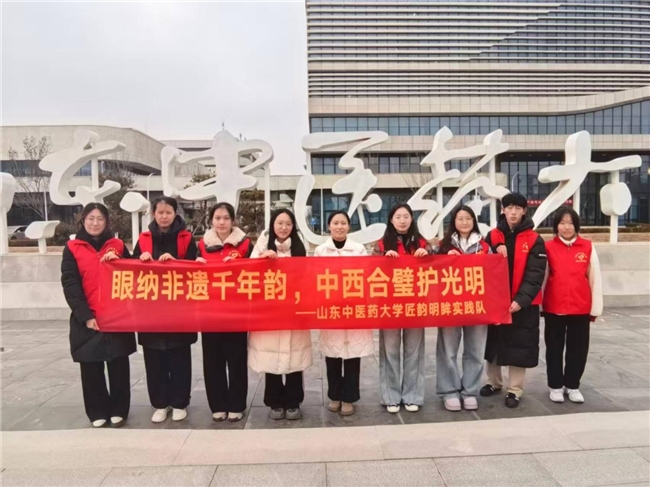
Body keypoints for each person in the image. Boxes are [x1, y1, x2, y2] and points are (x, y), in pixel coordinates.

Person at [61, 203, 136, 428]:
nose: (95, 223)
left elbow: (134, 274)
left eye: (100, 219)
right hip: (87, 316)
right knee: (90, 365)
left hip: (115, 316)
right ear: (83, 220)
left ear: (107, 222)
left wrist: (119, 260)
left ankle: (119, 410)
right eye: (91, 218)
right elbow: (70, 284)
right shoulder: (73, 248)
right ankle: (97, 411)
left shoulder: (118, 245)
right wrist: (85, 315)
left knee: (118, 364)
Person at [132, 196, 198, 423]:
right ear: (153, 214)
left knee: (179, 358)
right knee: (154, 360)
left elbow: (195, 268)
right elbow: (130, 270)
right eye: (160, 212)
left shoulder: (186, 238)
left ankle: (180, 403)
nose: (164, 216)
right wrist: (140, 258)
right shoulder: (144, 239)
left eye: (168, 212)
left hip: (179, 308)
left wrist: (176, 261)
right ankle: (160, 404)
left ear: (175, 213)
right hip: (150, 309)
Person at [482, 192, 546, 408]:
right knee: (493, 343)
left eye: (517, 208)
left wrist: (521, 299)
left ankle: (515, 389)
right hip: (496, 302)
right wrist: (493, 251)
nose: (513, 212)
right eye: (509, 208)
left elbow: (535, 274)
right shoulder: (492, 236)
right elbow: (481, 264)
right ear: (503, 210)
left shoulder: (534, 239)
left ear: (524, 211)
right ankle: (493, 382)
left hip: (522, 305)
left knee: (520, 345)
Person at [249, 209, 312, 420]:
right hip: (270, 311)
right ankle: (274, 402)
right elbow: (248, 272)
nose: (283, 227)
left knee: (295, 359)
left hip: (294, 309)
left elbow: (308, 276)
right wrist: (263, 260)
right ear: (272, 224)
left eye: (288, 223)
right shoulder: (262, 243)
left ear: (293, 226)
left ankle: (294, 402)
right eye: (279, 223)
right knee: (271, 358)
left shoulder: (300, 246)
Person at [197, 202, 253, 422]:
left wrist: (241, 265)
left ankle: (237, 404)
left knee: (236, 360)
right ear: (211, 220)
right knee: (213, 361)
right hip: (209, 312)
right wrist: (195, 264)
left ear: (233, 220)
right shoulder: (201, 245)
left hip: (236, 312)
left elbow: (256, 272)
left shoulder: (245, 244)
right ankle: (218, 404)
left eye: (226, 218)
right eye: (217, 218)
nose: (222, 222)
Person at [373, 203, 431, 414]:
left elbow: (437, 265)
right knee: (390, 351)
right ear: (391, 219)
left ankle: (412, 395)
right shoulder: (382, 244)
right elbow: (370, 270)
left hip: (416, 305)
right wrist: (383, 259)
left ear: (412, 219)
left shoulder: (422, 243)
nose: (402, 220)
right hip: (390, 306)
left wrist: (427, 254)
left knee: (414, 351)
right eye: (398, 216)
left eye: (406, 216)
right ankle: (391, 396)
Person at [314, 210, 373, 416]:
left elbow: (365, 276)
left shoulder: (359, 249)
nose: (339, 227)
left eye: (343, 223)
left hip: (353, 307)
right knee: (332, 355)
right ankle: (335, 395)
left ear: (349, 226)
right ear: (329, 226)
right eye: (335, 223)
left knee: (352, 357)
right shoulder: (321, 251)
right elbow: (316, 278)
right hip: (330, 308)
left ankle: (349, 397)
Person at [433, 205, 491, 411]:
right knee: (448, 350)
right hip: (450, 305)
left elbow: (494, 273)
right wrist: (442, 257)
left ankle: (470, 391)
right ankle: (449, 391)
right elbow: (429, 267)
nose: (464, 222)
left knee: (475, 350)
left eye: (468, 218)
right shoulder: (442, 245)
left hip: (477, 305)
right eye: (460, 219)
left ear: (474, 221)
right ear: (454, 222)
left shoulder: (484, 246)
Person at [543, 206, 602, 404]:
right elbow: (543, 278)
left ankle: (573, 385)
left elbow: (594, 278)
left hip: (580, 307)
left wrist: (595, 308)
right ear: (556, 226)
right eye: (562, 223)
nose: (566, 227)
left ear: (576, 226)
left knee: (578, 348)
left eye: (570, 223)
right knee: (554, 348)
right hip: (554, 307)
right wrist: (539, 305)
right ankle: (555, 386)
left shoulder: (587, 247)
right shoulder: (548, 247)